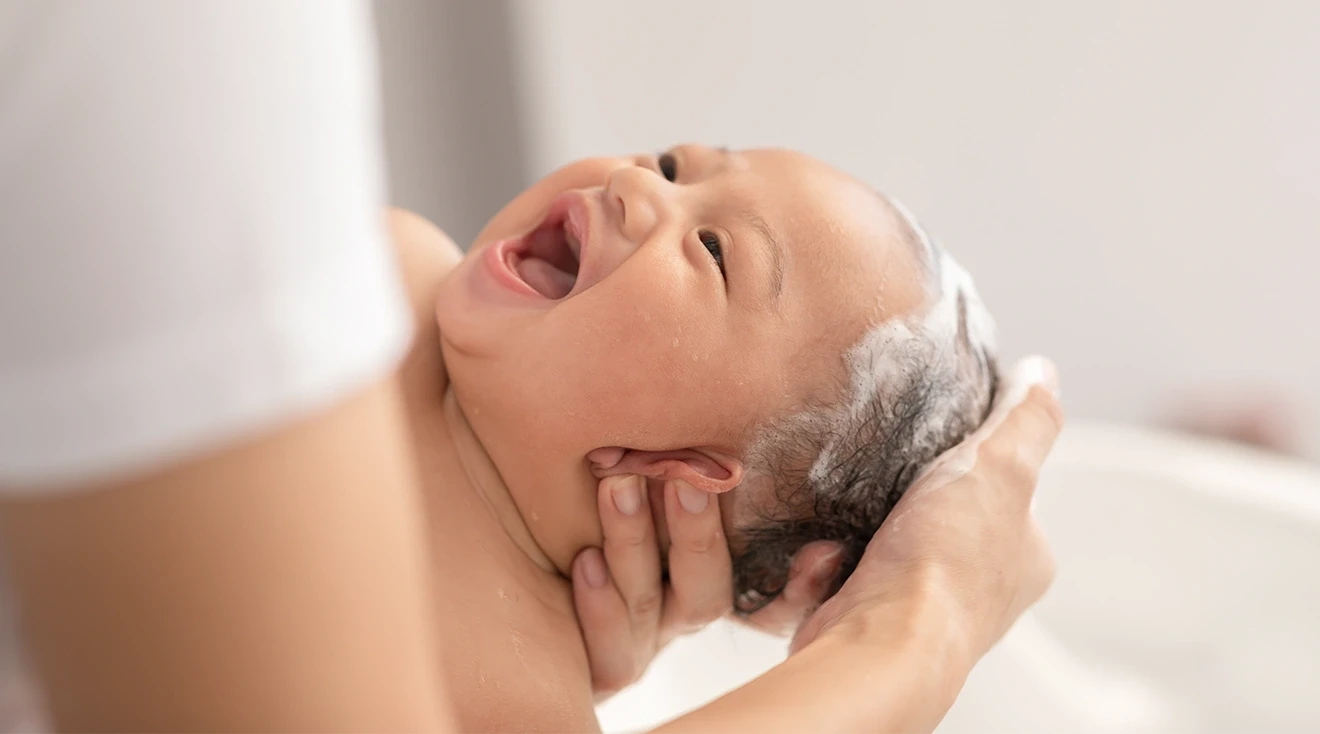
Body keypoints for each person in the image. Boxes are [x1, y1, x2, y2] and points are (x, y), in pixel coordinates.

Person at [0, 3, 1062, 732]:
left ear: (685, 478)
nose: (638, 185)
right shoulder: (401, 273)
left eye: (710, 251)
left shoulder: (524, 693)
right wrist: (910, 631)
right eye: (678, 165)